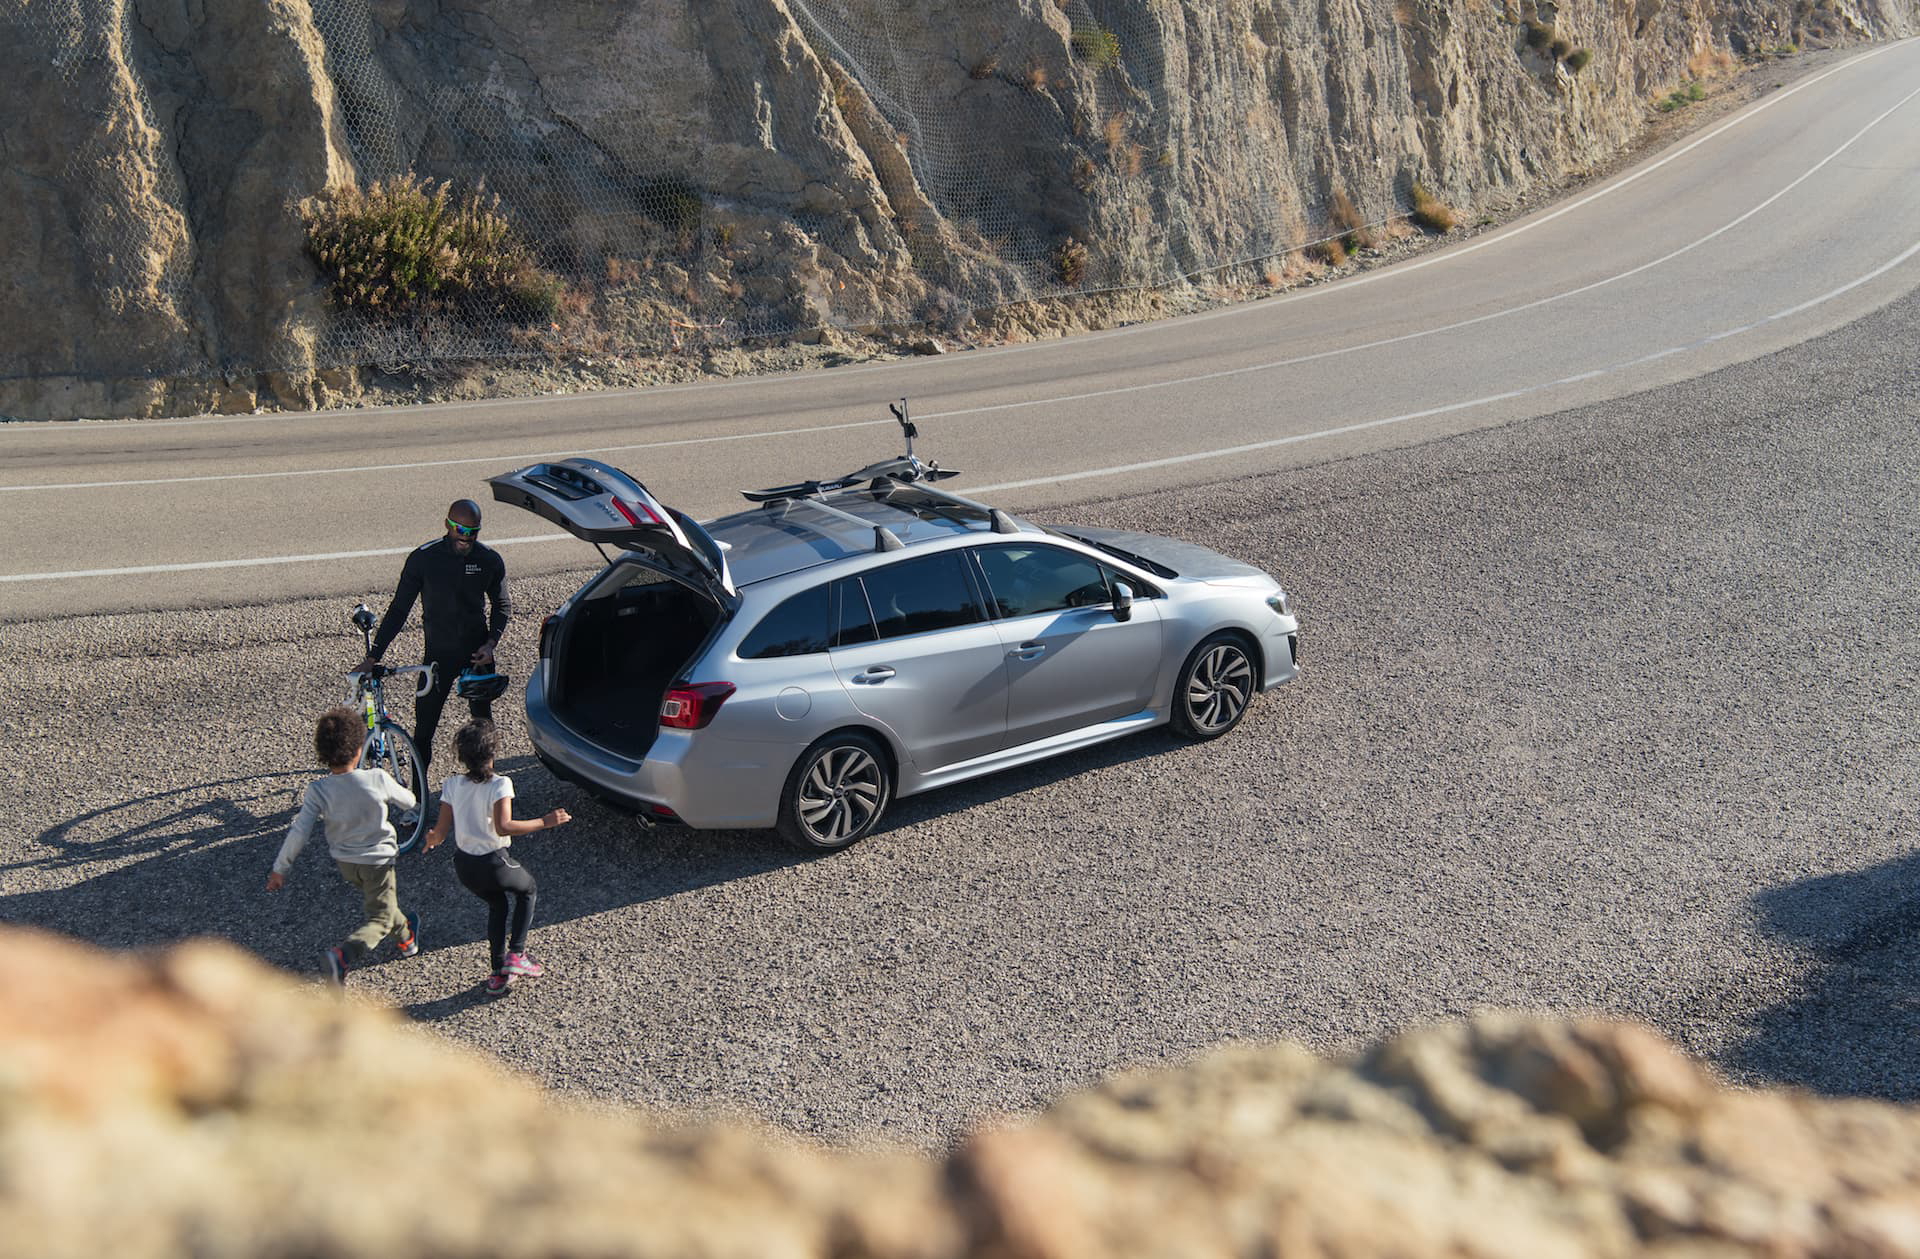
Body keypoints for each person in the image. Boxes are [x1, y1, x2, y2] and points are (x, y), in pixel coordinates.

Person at [266, 707, 422, 985]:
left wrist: (280, 868)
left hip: (347, 864)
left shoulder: (319, 790)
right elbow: (410, 802)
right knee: (379, 918)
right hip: (378, 861)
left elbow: (299, 831)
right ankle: (343, 956)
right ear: (359, 749)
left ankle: (407, 939)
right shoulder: (376, 778)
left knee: (384, 903)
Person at [357, 498, 511, 773]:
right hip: (437, 660)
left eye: (472, 532)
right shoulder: (424, 559)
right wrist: (373, 656)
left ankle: (489, 791)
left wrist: (491, 644)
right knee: (424, 731)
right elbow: (399, 610)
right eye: (459, 530)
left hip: (477, 657)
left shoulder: (488, 560)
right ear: (447, 525)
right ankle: (419, 800)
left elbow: (502, 605)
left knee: (483, 730)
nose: (465, 538)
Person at [423, 719, 570, 997]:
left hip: (465, 867)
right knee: (528, 889)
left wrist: (431, 839)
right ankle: (517, 955)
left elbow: (440, 832)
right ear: (492, 753)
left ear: (463, 756)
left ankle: (497, 972)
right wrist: (545, 821)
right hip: (493, 861)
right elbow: (504, 826)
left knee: (497, 905)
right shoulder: (500, 784)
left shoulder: (452, 785)